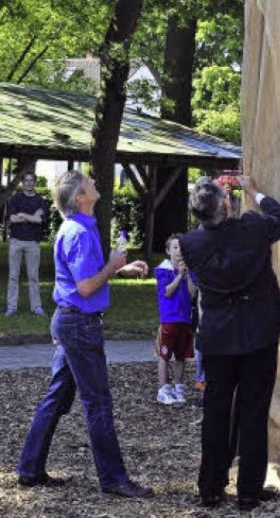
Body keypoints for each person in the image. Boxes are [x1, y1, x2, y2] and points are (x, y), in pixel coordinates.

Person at [16, 170, 153, 497]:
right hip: (79, 326)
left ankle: (29, 469)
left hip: (72, 322)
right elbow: (87, 286)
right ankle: (114, 479)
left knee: (58, 398)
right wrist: (112, 265)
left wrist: (119, 267)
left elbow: (87, 276)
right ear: (80, 197)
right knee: (98, 403)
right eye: (89, 182)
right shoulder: (79, 233)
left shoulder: (81, 228)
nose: (95, 181)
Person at [179, 174, 280, 511]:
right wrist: (255, 193)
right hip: (258, 333)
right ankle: (248, 492)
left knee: (216, 412)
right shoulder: (252, 228)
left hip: (217, 337)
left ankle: (211, 488)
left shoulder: (189, 243)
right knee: (254, 412)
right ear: (227, 205)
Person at [155, 233, 197, 404]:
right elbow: (166, 292)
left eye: (182, 248)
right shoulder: (163, 271)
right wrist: (178, 276)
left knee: (181, 356)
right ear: (168, 251)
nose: (179, 251)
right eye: (175, 247)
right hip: (169, 319)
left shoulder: (189, 270)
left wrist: (187, 275)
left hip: (185, 319)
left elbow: (192, 293)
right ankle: (163, 389)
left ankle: (178, 387)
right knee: (164, 355)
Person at [5, 170, 46, 316]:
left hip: (32, 243)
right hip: (16, 241)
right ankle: (11, 307)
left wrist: (22, 215)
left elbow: (40, 220)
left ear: (35, 182)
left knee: (33, 276)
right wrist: (31, 217)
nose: (29, 183)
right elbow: (13, 219)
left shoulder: (39, 200)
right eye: (26, 180)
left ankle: (36, 307)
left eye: (31, 180)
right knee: (13, 276)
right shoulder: (15, 198)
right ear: (23, 183)